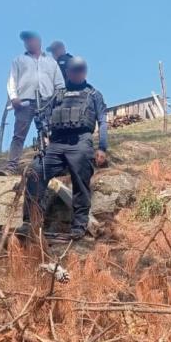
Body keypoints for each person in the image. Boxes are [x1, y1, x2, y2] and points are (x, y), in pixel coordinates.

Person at [22, 56, 108, 241]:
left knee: (81, 178)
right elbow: (43, 115)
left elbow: (102, 121)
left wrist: (102, 147)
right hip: (56, 142)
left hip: (81, 141)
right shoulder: (57, 94)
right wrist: (43, 133)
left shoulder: (94, 94)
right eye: (75, 70)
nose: (78, 73)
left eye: (81, 69)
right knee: (35, 171)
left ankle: (79, 226)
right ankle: (30, 222)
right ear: (68, 72)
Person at [0, 31, 65, 176]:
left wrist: (56, 101)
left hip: (47, 101)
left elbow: (60, 84)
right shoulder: (18, 60)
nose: (28, 43)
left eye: (30, 39)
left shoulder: (50, 62)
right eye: (26, 41)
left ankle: (54, 165)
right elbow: (11, 81)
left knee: (50, 133)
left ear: (38, 41)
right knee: (19, 135)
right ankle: (11, 166)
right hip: (25, 102)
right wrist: (14, 97)